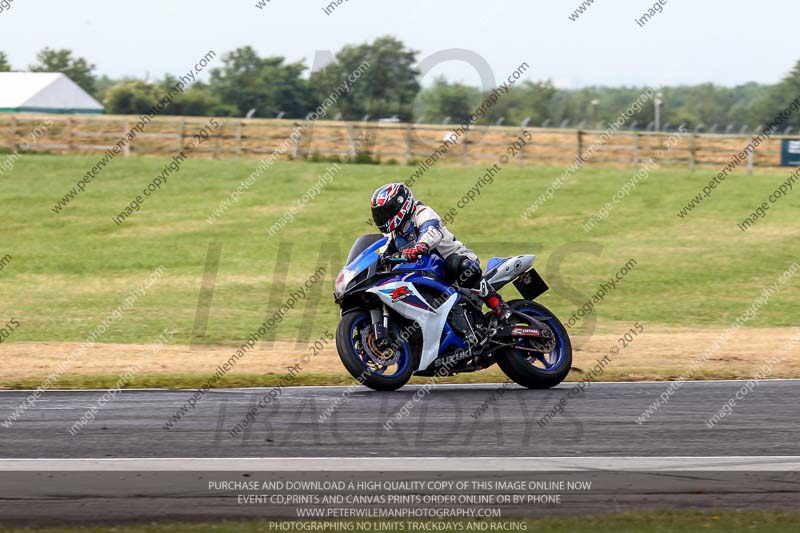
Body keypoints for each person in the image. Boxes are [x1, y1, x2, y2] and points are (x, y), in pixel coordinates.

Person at [370, 183, 511, 319]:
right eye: (378, 214)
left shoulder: (422, 213)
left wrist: (419, 247)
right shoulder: (393, 234)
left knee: (456, 264)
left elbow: (431, 231)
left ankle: (497, 303)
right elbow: (384, 253)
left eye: (385, 212)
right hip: (426, 274)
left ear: (400, 205)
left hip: (454, 262)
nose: (382, 218)